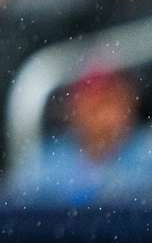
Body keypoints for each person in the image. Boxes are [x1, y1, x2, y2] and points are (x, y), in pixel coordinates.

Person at [13, 65, 152, 202]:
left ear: (129, 105)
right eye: (95, 106)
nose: (104, 116)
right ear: (74, 109)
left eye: (110, 102)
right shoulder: (49, 165)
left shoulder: (147, 155)